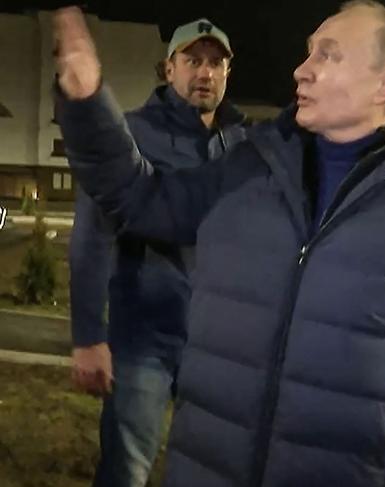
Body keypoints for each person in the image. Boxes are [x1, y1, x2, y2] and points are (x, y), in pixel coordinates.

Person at [54, 2, 385, 486]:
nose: (302, 69)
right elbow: (140, 200)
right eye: (308, 53)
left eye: (327, 56)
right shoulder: (252, 167)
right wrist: (86, 103)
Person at [67, 16, 247, 487]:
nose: (204, 73)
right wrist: (88, 336)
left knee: (211, 469)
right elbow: (90, 235)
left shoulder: (244, 145)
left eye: (215, 63)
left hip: (217, 344)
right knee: (127, 468)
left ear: (228, 73)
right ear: (169, 69)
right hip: (142, 339)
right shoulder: (132, 134)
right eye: (192, 61)